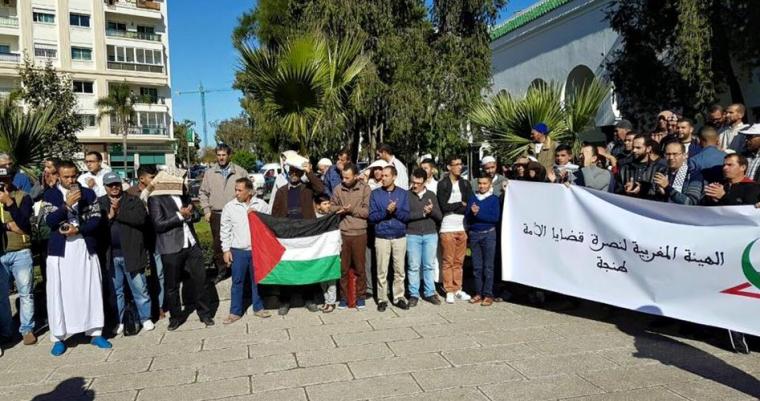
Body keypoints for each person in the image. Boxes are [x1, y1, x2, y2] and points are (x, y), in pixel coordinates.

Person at [42, 160, 111, 356]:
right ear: (58, 176)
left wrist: (78, 228)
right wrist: (66, 206)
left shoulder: (88, 194)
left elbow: (97, 219)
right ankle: (59, 336)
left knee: (90, 288)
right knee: (59, 292)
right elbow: (50, 220)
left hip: (83, 247)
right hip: (60, 252)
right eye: (66, 177)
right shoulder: (51, 195)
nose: (70, 180)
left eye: (73, 176)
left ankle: (95, 332)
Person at [702, 153, 759, 354]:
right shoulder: (717, 185)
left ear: (743, 167)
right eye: (724, 165)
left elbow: (747, 215)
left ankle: (740, 337)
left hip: (741, 252)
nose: (725, 168)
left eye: (730, 165)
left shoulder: (753, 188)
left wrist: (723, 198)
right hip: (717, 249)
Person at [148, 170, 214, 330]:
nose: (184, 182)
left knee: (200, 280)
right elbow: (158, 224)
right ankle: (176, 317)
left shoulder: (184, 195)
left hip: (191, 245)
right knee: (172, 285)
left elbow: (197, 215)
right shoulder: (156, 199)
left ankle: (204, 313)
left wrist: (191, 215)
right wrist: (180, 216)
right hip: (171, 247)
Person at [97, 172, 153, 335]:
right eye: (110, 185)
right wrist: (109, 217)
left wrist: (118, 212)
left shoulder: (132, 200)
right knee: (116, 292)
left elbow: (140, 219)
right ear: (105, 187)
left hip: (131, 252)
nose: (114, 187)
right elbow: (97, 227)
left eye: (116, 184)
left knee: (139, 288)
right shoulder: (100, 203)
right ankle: (120, 320)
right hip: (111, 255)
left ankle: (145, 317)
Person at [271, 159, 325, 315]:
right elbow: (275, 213)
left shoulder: (307, 188)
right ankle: (284, 301)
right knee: (287, 268)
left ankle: (309, 299)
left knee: (306, 266)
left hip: (305, 233)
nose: (293, 174)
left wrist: (310, 172)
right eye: (291, 172)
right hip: (287, 235)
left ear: (301, 174)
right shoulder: (281, 191)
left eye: (297, 172)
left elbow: (321, 189)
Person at [220, 178, 272, 324]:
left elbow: (270, 223)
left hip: (256, 250)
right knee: (237, 281)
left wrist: (259, 216)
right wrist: (226, 250)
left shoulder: (261, 205)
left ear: (249, 192)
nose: (236, 193)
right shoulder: (229, 207)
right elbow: (225, 230)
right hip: (238, 251)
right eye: (235, 190)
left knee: (257, 280)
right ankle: (235, 311)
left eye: (239, 190)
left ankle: (258, 307)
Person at [199, 144, 249, 284]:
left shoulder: (240, 172)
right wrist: (207, 210)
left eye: (224, 155)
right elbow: (202, 193)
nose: (221, 158)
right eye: (219, 155)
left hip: (237, 213)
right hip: (217, 213)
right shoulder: (209, 173)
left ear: (229, 155)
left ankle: (238, 270)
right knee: (218, 244)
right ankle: (222, 271)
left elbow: (250, 192)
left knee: (238, 242)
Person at [0, 166, 35, 345]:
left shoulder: (23, 196)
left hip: (20, 250)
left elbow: (24, 224)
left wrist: (10, 203)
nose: (2, 184)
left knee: (26, 292)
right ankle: (6, 331)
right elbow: (13, 225)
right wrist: (7, 226)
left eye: (5, 180)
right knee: (1, 296)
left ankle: (27, 329)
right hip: (1, 253)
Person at [369, 166, 410, 311]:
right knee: (381, 270)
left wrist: (396, 210)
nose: (383, 178)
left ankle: (398, 297)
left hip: (399, 236)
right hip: (382, 236)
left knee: (399, 270)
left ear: (394, 177)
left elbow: (406, 217)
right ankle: (382, 299)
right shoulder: (375, 194)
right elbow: (372, 217)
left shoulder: (403, 194)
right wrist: (386, 212)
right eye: (382, 176)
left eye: (386, 175)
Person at [330, 163, 370, 311]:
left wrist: (351, 209)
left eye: (347, 177)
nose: (344, 180)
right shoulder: (338, 189)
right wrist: (340, 209)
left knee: (360, 267)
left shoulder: (365, 189)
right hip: (344, 233)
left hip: (360, 233)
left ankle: (360, 297)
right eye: (342, 177)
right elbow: (331, 207)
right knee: (343, 269)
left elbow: (366, 212)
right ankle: (344, 297)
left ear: (355, 176)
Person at [437, 155, 473, 304]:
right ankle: (449, 289)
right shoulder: (443, 184)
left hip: (462, 226)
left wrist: (460, 206)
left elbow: (469, 204)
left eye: (461, 164)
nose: (459, 167)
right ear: (449, 167)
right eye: (456, 164)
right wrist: (460, 204)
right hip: (448, 227)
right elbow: (444, 206)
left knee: (459, 261)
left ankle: (458, 288)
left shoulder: (465, 183)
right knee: (448, 260)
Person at [406, 168, 442, 306]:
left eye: (418, 183)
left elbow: (439, 217)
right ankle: (413, 294)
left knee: (428, 265)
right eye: (412, 182)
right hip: (412, 234)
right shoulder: (407, 195)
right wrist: (422, 213)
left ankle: (430, 292)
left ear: (424, 182)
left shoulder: (431, 195)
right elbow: (405, 216)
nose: (414, 185)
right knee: (413, 266)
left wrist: (431, 211)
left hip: (430, 234)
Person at [466, 176, 501, 306]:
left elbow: (494, 218)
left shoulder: (493, 199)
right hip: (475, 234)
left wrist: (477, 214)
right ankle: (478, 293)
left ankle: (488, 294)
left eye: (484, 183)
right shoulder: (473, 198)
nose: (481, 186)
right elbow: (468, 217)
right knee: (477, 266)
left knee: (488, 267)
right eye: (480, 183)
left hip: (489, 234)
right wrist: (471, 213)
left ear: (490, 185)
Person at [616, 134, 667, 200]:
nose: (634, 150)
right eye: (633, 147)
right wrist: (625, 189)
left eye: (638, 148)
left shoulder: (659, 169)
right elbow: (616, 191)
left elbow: (660, 192)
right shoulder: (624, 169)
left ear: (648, 149)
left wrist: (643, 188)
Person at [314, 194, 338, 313]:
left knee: (331, 279)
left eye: (328, 203)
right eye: (324, 204)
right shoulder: (315, 218)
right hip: (320, 253)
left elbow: (337, 233)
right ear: (318, 205)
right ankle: (326, 300)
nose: (328, 206)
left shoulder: (332, 217)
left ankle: (331, 302)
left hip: (331, 252)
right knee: (323, 279)